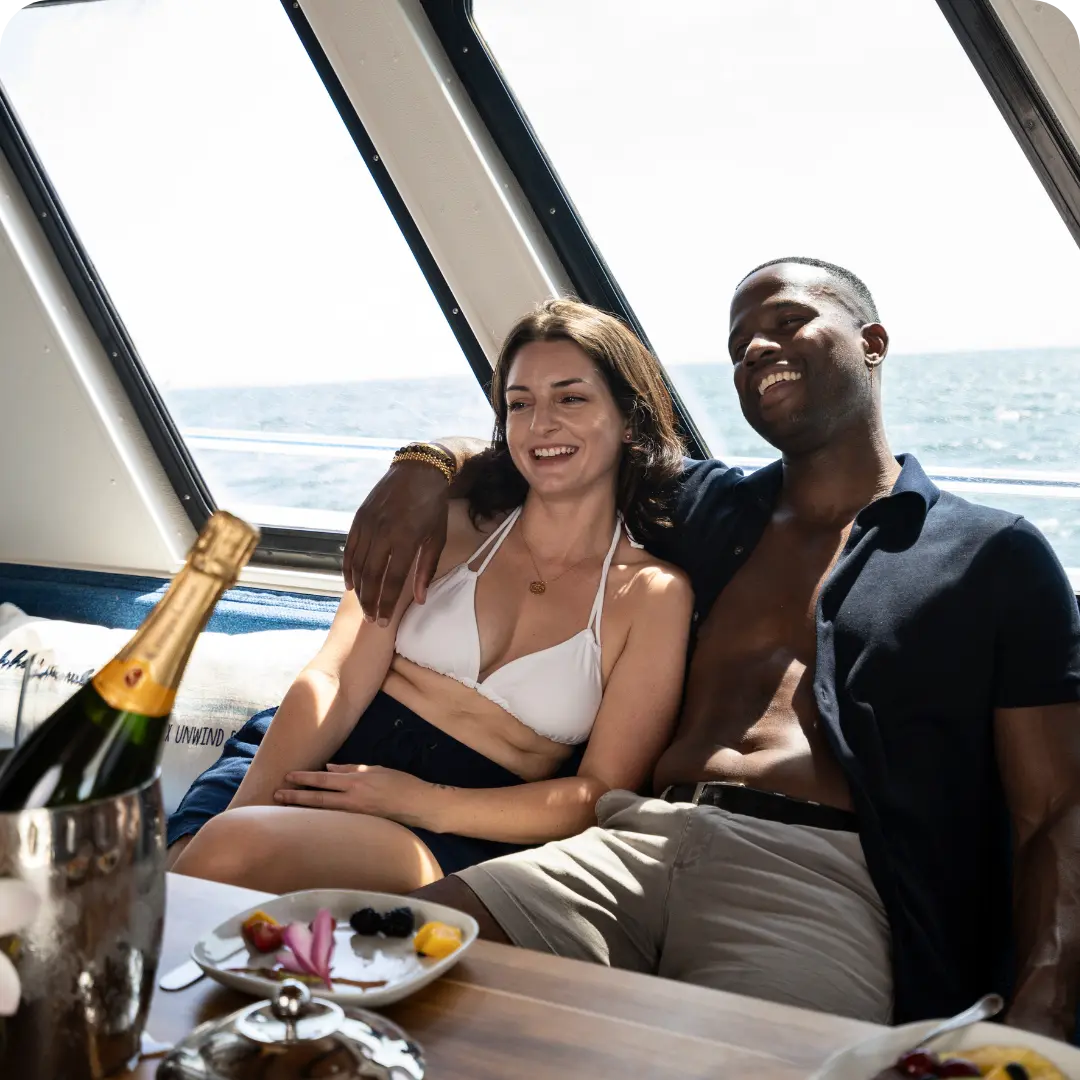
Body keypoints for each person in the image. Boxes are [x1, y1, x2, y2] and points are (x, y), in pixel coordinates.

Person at [343, 258, 1080, 1034]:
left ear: (873, 342)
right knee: (371, 971)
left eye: (789, 322)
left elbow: (1056, 807)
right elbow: (551, 444)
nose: (758, 348)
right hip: (631, 842)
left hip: (813, 877)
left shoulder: (992, 555)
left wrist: (1045, 1011)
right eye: (739, 344)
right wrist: (422, 464)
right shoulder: (700, 508)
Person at [166, 299, 693, 896]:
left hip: (463, 823)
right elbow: (335, 679)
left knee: (230, 858)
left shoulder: (652, 597)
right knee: (194, 865)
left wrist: (422, 802)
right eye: (520, 404)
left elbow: (598, 793)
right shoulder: (447, 528)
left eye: (570, 398)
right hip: (313, 756)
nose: (540, 424)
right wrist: (248, 804)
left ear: (629, 420)